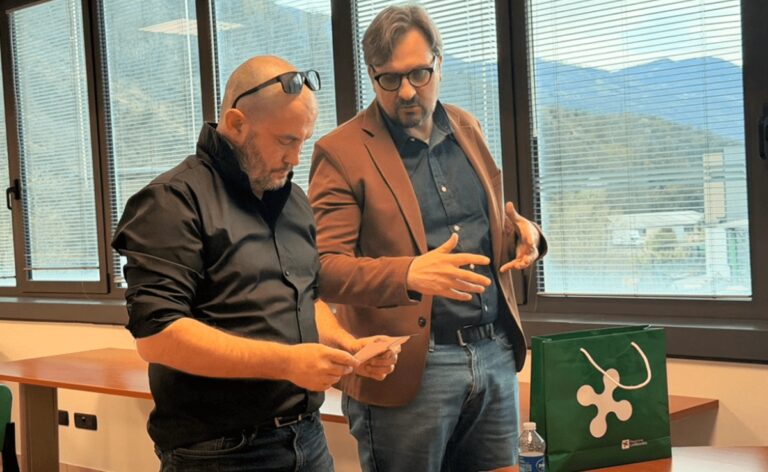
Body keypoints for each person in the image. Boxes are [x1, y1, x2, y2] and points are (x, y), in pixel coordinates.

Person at [112, 55, 399, 472]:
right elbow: (157, 336)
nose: (296, 158)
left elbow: (305, 299)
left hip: (307, 437)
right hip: (220, 450)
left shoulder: (293, 200)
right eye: (285, 141)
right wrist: (286, 363)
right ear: (236, 124)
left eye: (303, 141)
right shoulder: (172, 201)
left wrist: (346, 345)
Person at [308, 6, 547, 472]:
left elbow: (486, 232)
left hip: (493, 352)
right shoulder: (340, 153)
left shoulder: (467, 128)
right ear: (371, 75)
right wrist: (409, 273)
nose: (407, 91)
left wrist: (528, 236)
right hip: (409, 369)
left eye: (419, 73)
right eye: (389, 79)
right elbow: (323, 269)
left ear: (439, 63)